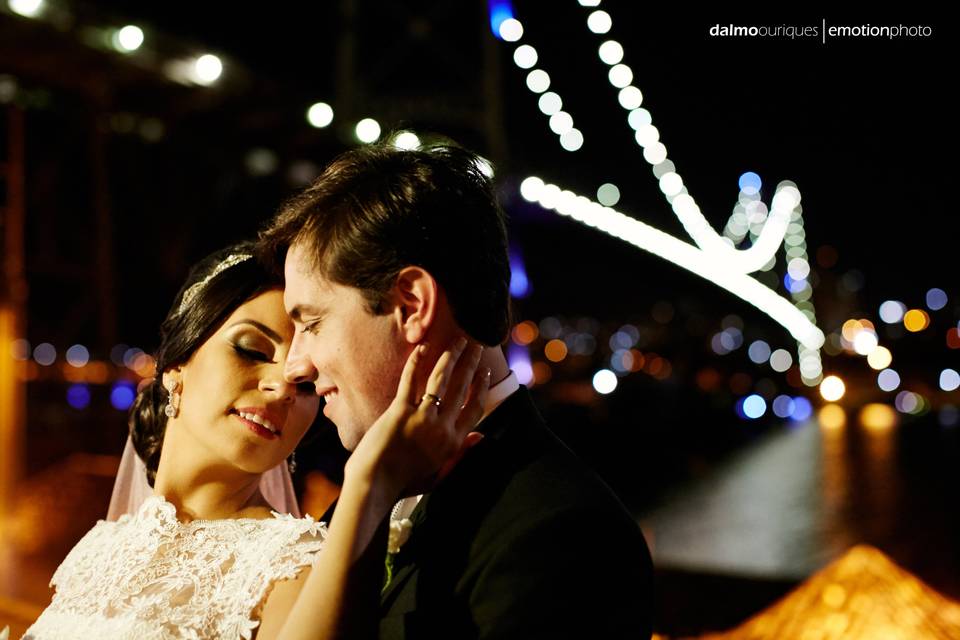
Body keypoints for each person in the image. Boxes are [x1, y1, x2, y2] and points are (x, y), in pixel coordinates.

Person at [259, 141, 655, 638]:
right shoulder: (354, 508)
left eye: (312, 323)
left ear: (411, 304)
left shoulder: (568, 536)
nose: (295, 366)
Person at [23, 241, 489, 639]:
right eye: (252, 349)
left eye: (305, 383)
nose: (283, 387)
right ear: (175, 366)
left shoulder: (292, 567)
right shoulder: (97, 549)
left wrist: (369, 484)